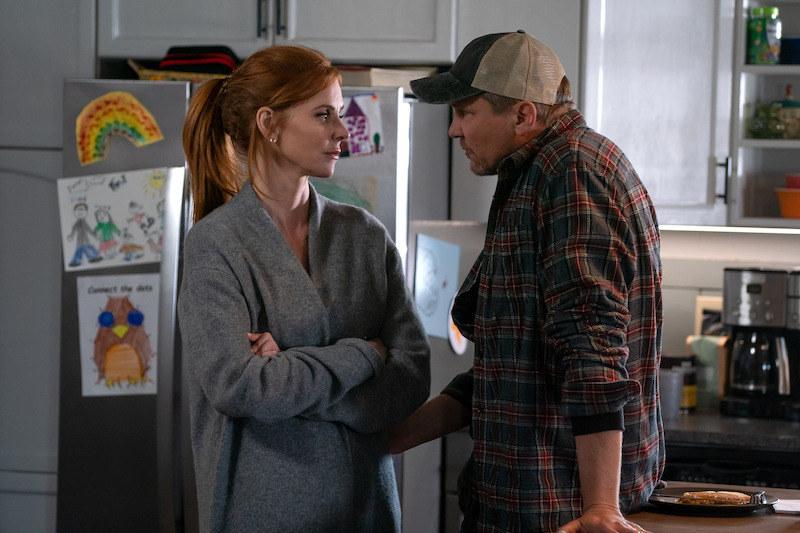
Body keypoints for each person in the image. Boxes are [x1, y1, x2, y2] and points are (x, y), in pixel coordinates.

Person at [390, 30, 663, 533]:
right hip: (521, 503)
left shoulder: (572, 173)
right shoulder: (535, 173)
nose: (453, 131)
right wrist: (390, 438)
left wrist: (601, 509)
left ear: (523, 115)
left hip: (559, 511)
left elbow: (591, 348)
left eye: (465, 113)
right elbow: (513, 369)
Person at [179, 45, 431, 533]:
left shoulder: (365, 235)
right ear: (269, 124)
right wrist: (363, 356)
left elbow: (412, 375)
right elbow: (242, 386)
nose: (342, 131)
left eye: (340, 114)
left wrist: (292, 371)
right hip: (262, 517)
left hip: (368, 515)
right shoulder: (216, 245)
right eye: (323, 115)